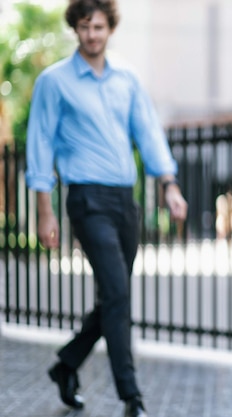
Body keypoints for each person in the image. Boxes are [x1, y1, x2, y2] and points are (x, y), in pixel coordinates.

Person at [25, 1, 188, 416]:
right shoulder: (54, 82)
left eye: (98, 26)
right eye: (84, 27)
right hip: (85, 199)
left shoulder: (127, 79)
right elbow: (40, 145)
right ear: (75, 29)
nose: (92, 34)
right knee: (117, 292)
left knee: (114, 296)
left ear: (110, 28)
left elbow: (148, 133)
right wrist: (45, 210)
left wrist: (169, 184)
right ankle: (131, 396)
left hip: (124, 201)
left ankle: (66, 365)